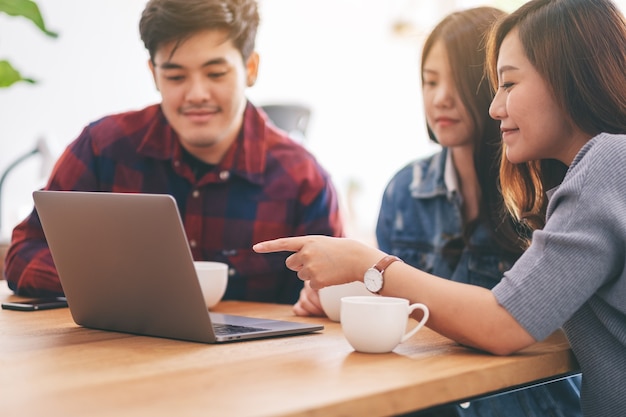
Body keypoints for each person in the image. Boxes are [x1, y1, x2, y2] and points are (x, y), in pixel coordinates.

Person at [254, 0, 626, 416]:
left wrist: (368, 263)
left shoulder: (608, 164)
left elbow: (503, 324)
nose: (495, 107)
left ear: (567, 79)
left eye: (508, 84)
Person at [4, 0, 343, 304]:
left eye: (216, 73)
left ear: (250, 69)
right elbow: (23, 254)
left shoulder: (303, 179)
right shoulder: (103, 146)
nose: (196, 94)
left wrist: (321, 301)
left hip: (250, 367)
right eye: (176, 76)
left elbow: (331, 297)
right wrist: (116, 281)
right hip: (120, 356)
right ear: (154, 74)